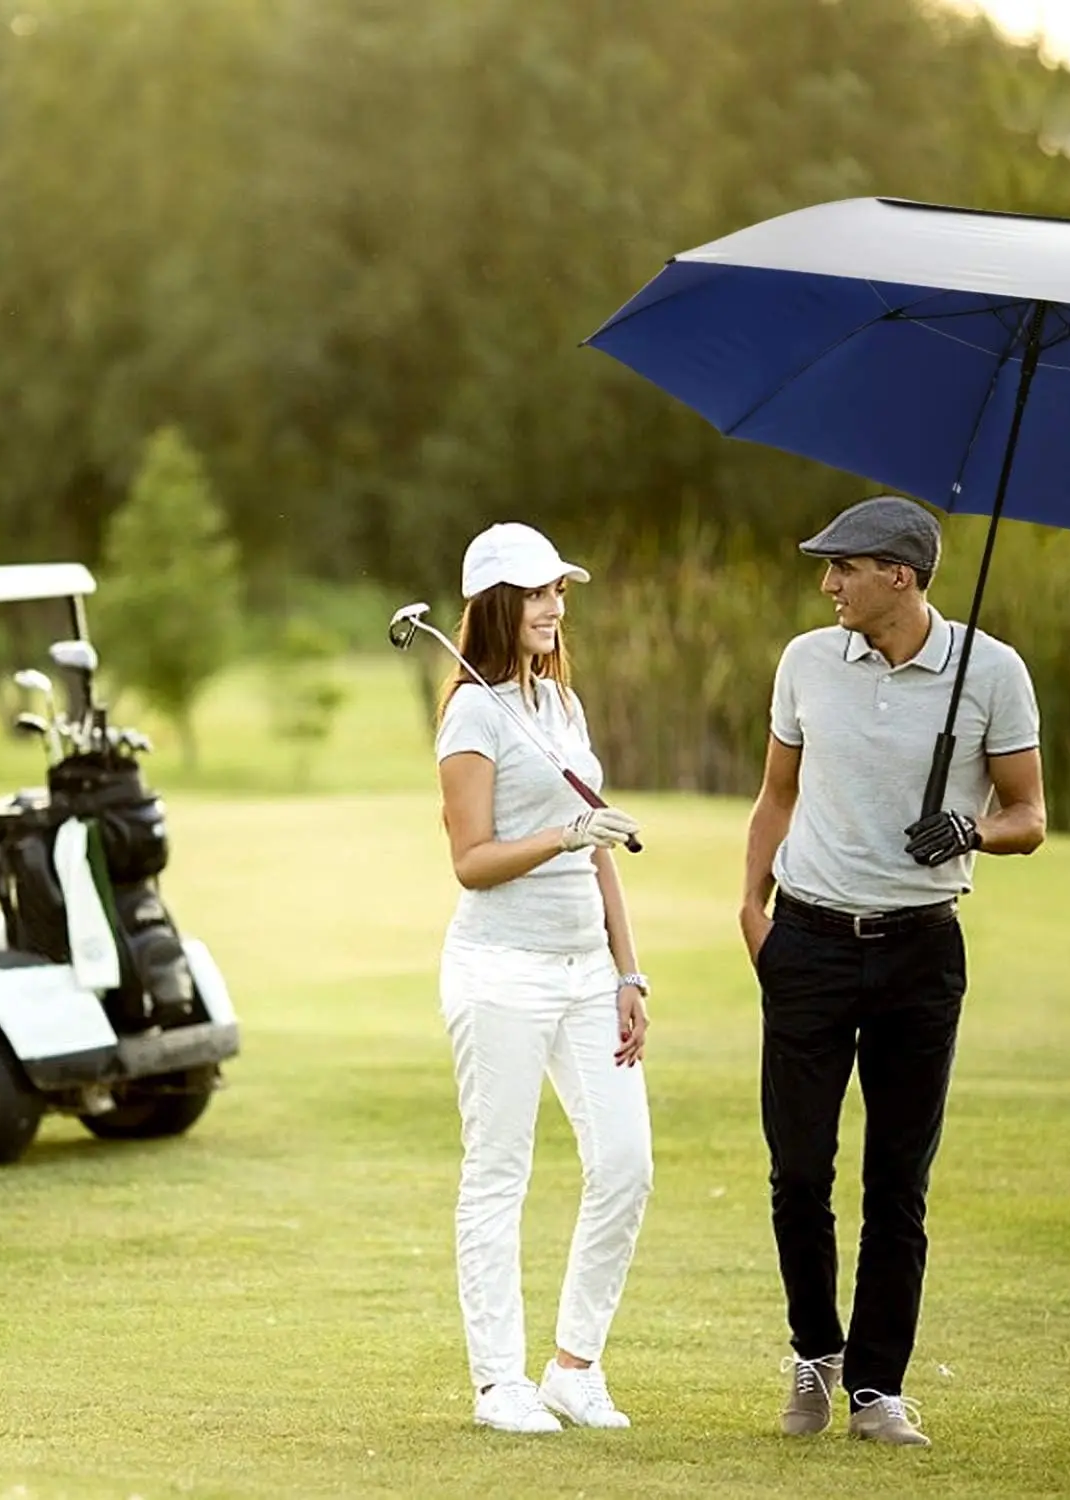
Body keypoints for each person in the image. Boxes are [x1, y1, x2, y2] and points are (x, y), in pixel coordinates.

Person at [739, 495, 1046, 1448]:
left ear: (899, 578)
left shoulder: (991, 673)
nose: (827, 584)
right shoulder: (805, 662)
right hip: (810, 942)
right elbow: (775, 794)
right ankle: (813, 1351)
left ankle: (877, 1388)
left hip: (920, 951)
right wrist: (753, 913)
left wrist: (971, 830)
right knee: (798, 1171)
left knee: (897, 1182)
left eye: (843, 568)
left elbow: (1028, 815)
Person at [435, 521, 653, 1434]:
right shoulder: (472, 715)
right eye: (535, 594)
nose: (554, 608)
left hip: (584, 970)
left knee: (626, 1165)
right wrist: (565, 835)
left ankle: (573, 1366)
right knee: (499, 1175)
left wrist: (628, 970)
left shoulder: (561, 706)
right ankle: (499, 1385)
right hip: (501, 973)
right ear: (496, 604)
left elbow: (599, 848)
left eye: (559, 592)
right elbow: (472, 860)